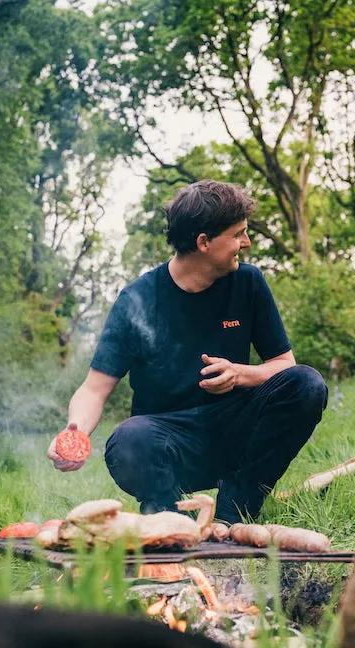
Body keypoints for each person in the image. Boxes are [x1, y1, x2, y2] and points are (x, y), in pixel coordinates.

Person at [47, 180, 328, 523]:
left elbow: (284, 365)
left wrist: (241, 374)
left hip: (236, 431)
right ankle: (169, 521)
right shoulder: (138, 300)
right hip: (169, 445)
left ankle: (233, 513)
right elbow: (94, 388)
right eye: (238, 233)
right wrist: (73, 432)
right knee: (128, 439)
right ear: (204, 242)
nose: (247, 242)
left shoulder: (249, 283)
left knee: (306, 384)